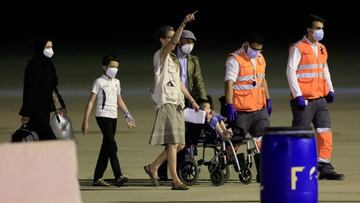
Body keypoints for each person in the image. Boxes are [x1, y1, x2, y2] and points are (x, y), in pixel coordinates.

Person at [144, 11, 200, 190]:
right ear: (163, 40)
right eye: (169, 37)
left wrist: (191, 100)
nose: (173, 40)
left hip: (177, 103)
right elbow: (176, 42)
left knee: (180, 144)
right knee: (173, 142)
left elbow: (180, 84)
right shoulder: (160, 56)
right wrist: (184, 22)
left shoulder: (173, 61)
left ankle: (153, 166)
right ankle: (175, 180)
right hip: (166, 101)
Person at [286, 14, 344, 180]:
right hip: (304, 101)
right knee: (300, 134)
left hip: (320, 99)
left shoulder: (321, 48)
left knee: (325, 132)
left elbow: (324, 70)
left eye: (322, 29)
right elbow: (290, 71)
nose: (321, 31)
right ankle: (298, 168)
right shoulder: (298, 47)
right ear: (309, 30)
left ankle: (324, 166)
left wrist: (330, 90)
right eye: (318, 28)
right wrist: (298, 95)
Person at [158, 30, 208, 181]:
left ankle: (177, 166)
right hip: (172, 98)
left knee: (188, 134)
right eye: (187, 42)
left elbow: (199, 80)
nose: (190, 45)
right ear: (180, 42)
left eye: (192, 42)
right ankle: (164, 168)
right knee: (175, 136)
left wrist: (203, 100)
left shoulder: (194, 60)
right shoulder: (170, 57)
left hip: (188, 97)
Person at [82, 54, 136, 187]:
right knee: (112, 145)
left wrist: (128, 116)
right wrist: (85, 120)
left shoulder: (117, 82)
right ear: (104, 67)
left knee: (106, 147)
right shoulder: (98, 82)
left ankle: (97, 178)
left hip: (113, 116)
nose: (114, 69)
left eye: (116, 67)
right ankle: (118, 175)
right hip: (102, 116)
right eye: (112, 66)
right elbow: (90, 102)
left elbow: (119, 100)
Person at [224, 32, 271, 183]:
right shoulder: (235, 60)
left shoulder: (260, 58)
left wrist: (268, 98)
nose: (257, 52)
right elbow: (229, 83)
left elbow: (262, 79)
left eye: (259, 49)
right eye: (254, 48)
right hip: (241, 110)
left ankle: (262, 174)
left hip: (259, 109)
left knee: (261, 141)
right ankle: (223, 163)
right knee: (235, 142)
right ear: (247, 44)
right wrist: (229, 104)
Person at [19, 36, 66, 140]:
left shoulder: (49, 65)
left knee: (40, 139)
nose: (50, 50)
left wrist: (60, 106)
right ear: (40, 48)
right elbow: (29, 90)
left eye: (51, 47)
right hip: (35, 110)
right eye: (47, 47)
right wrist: (26, 113)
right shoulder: (33, 66)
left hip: (45, 110)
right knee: (48, 139)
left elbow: (52, 88)